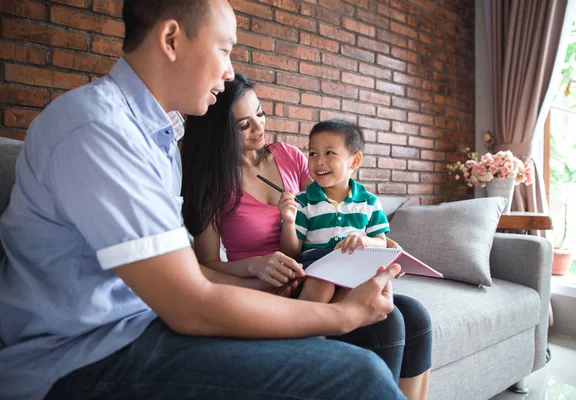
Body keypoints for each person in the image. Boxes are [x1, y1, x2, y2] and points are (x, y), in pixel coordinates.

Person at [0, 1, 406, 399]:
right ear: (172, 38)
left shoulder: (157, 138)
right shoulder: (98, 130)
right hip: (83, 355)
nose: (230, 71)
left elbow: (183, 273)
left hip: (146, 322)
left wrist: (252, 280)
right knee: (359, 375)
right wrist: (342, 315)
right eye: (224, 49)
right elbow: (190, 304)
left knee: (385, 328)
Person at [183, 73, 433, 400]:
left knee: (415, 315)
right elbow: (207, 264)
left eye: (260, 113)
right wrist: (254, 266)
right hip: (276, 290)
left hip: (318, 271)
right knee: (389, 323)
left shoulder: (289, 155)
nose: (259, 127)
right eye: (244, 125)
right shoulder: (213, 183)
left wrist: (377, 241)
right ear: (220, 131)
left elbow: (326, 213)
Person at [279, 119, 389, 304]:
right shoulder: (303, 201)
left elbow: (382, 244)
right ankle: (306, 330)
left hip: (354, 269)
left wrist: (366, 240)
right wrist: (289, 221)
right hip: (315, 271)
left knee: (359, 288)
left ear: (355, 160)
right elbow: (291, 252)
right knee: (322, 284)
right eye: (313, 153)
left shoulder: (369, 202)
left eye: (329, 153)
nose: (319, 161)